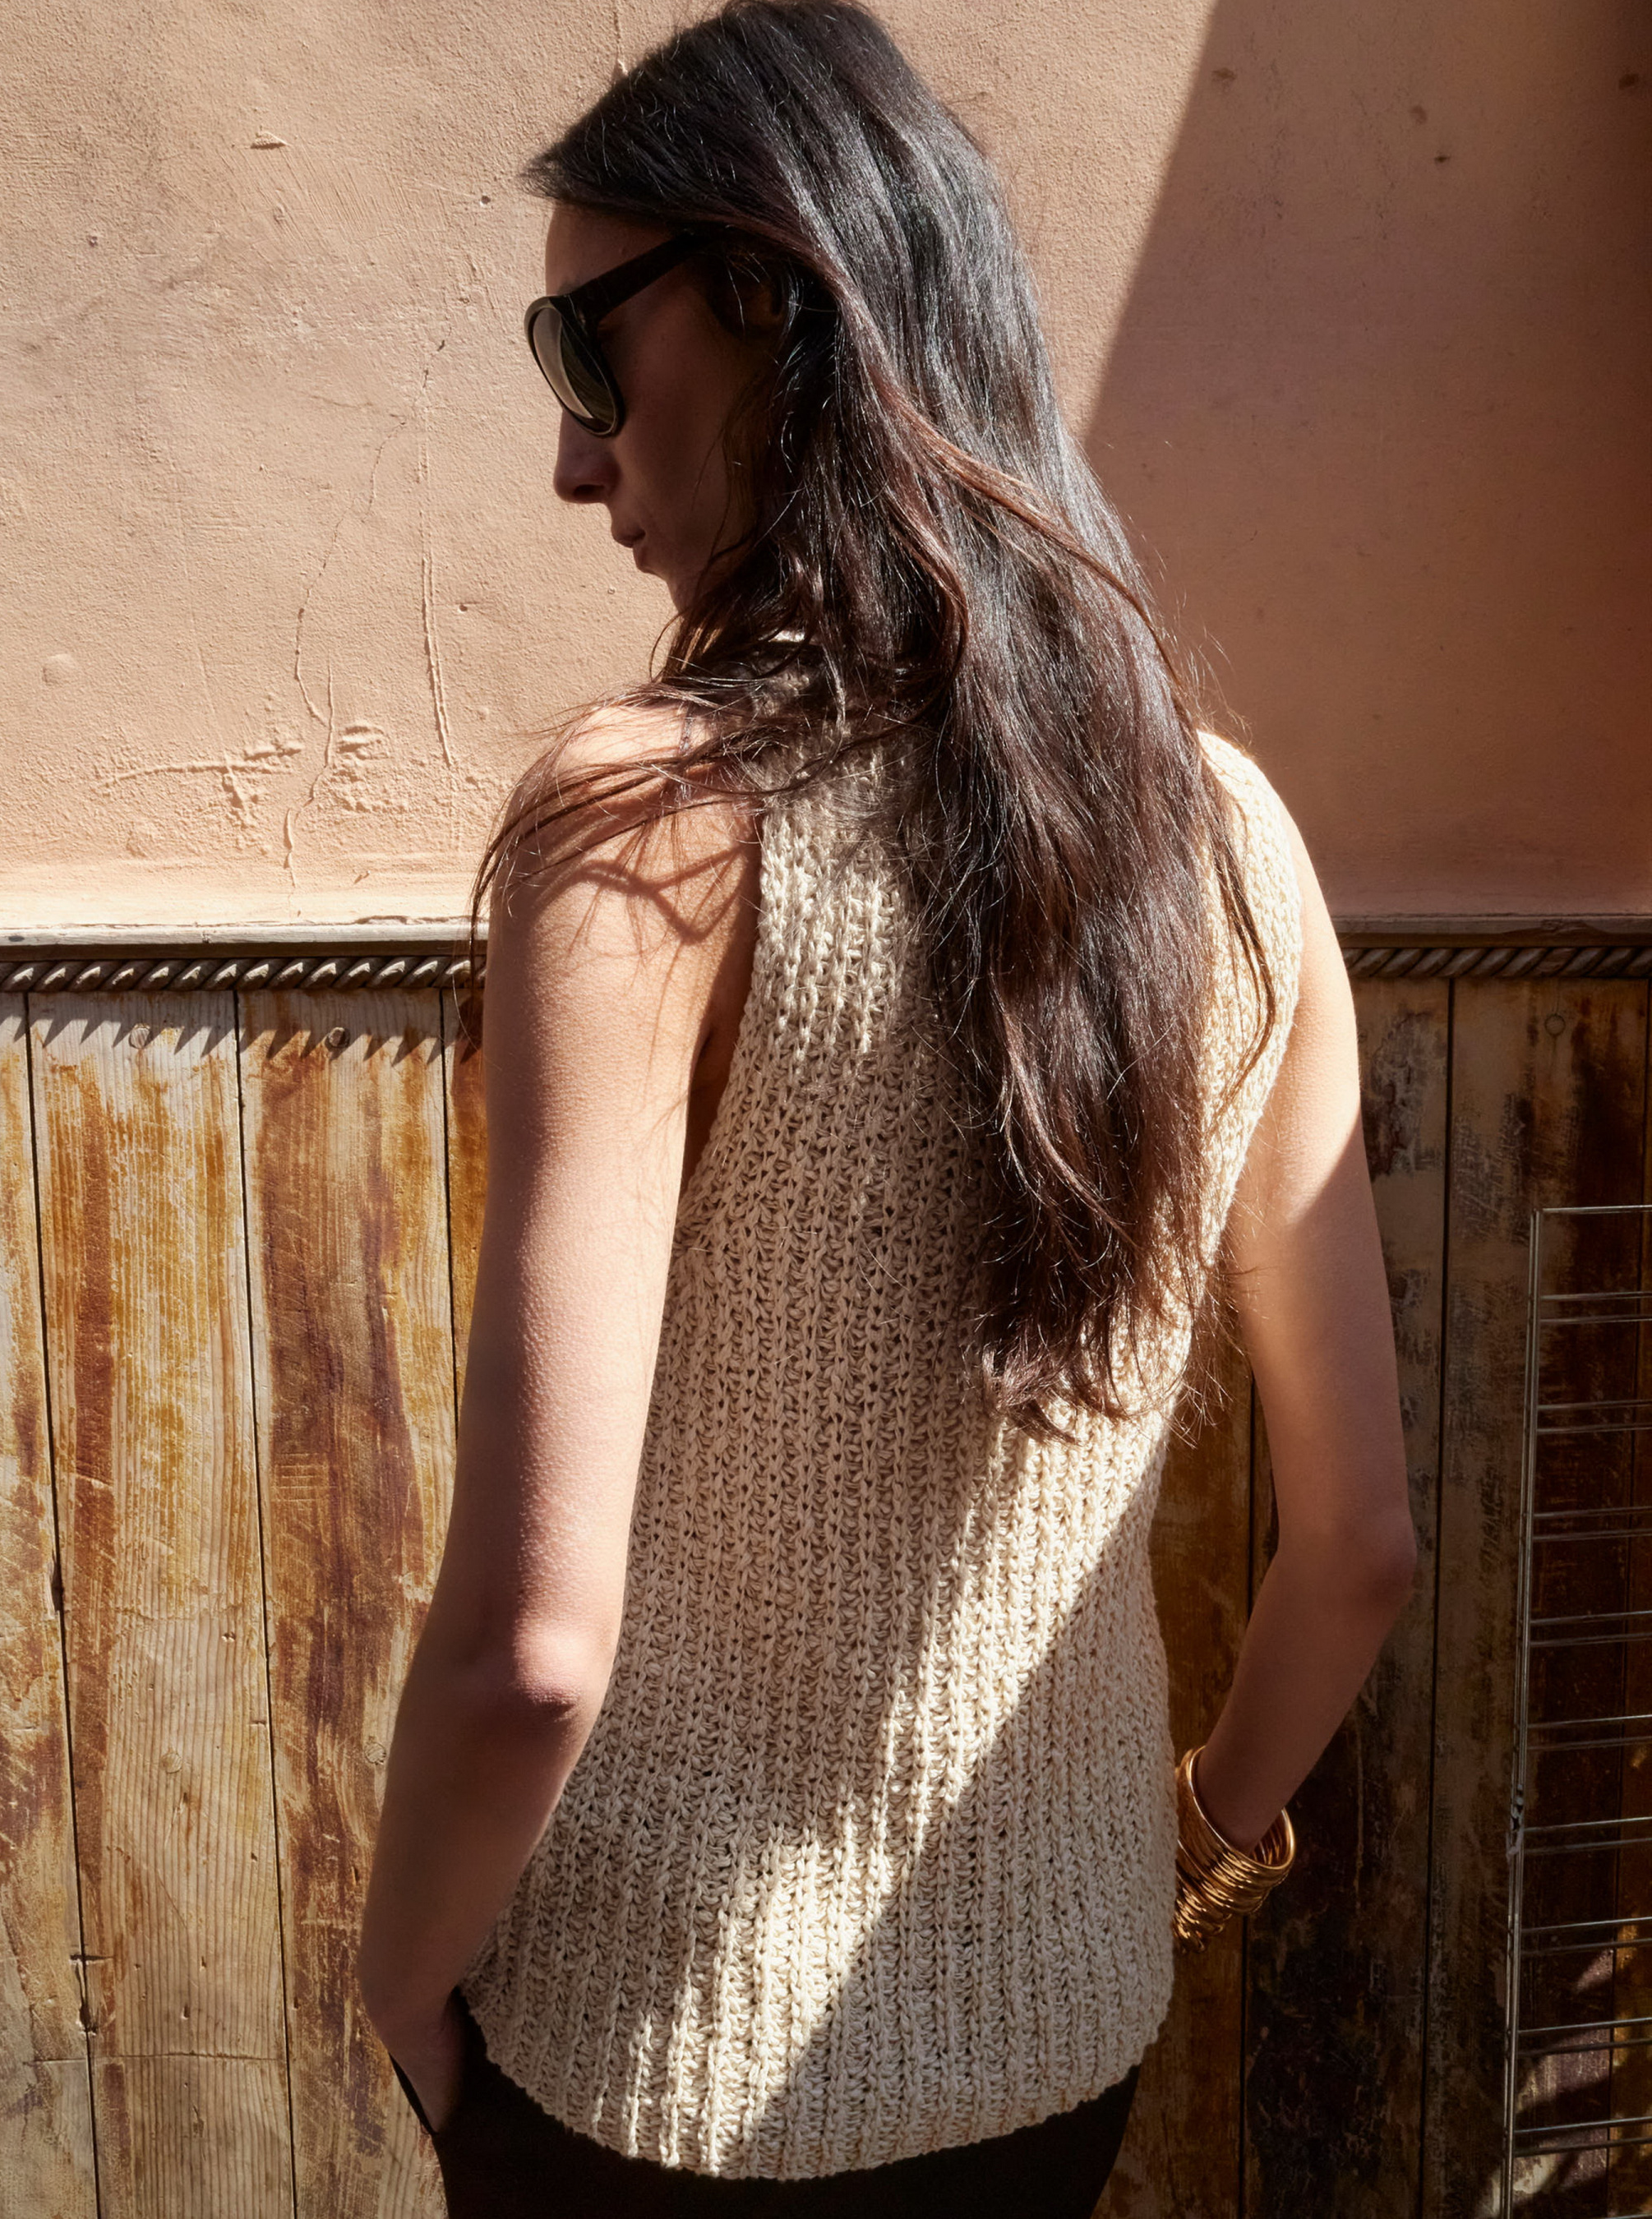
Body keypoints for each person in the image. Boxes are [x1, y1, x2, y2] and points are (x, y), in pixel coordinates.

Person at [356, 3, 1417, 2211]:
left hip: (650, 2064)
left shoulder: (648, 826)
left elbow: (530, 1655)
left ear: (774, 302)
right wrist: (1188, 1852)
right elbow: (1358, 1553)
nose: (572, 461)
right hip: (1063, 2049)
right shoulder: (1236, 843)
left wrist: (397, 1986)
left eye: (583, 351)